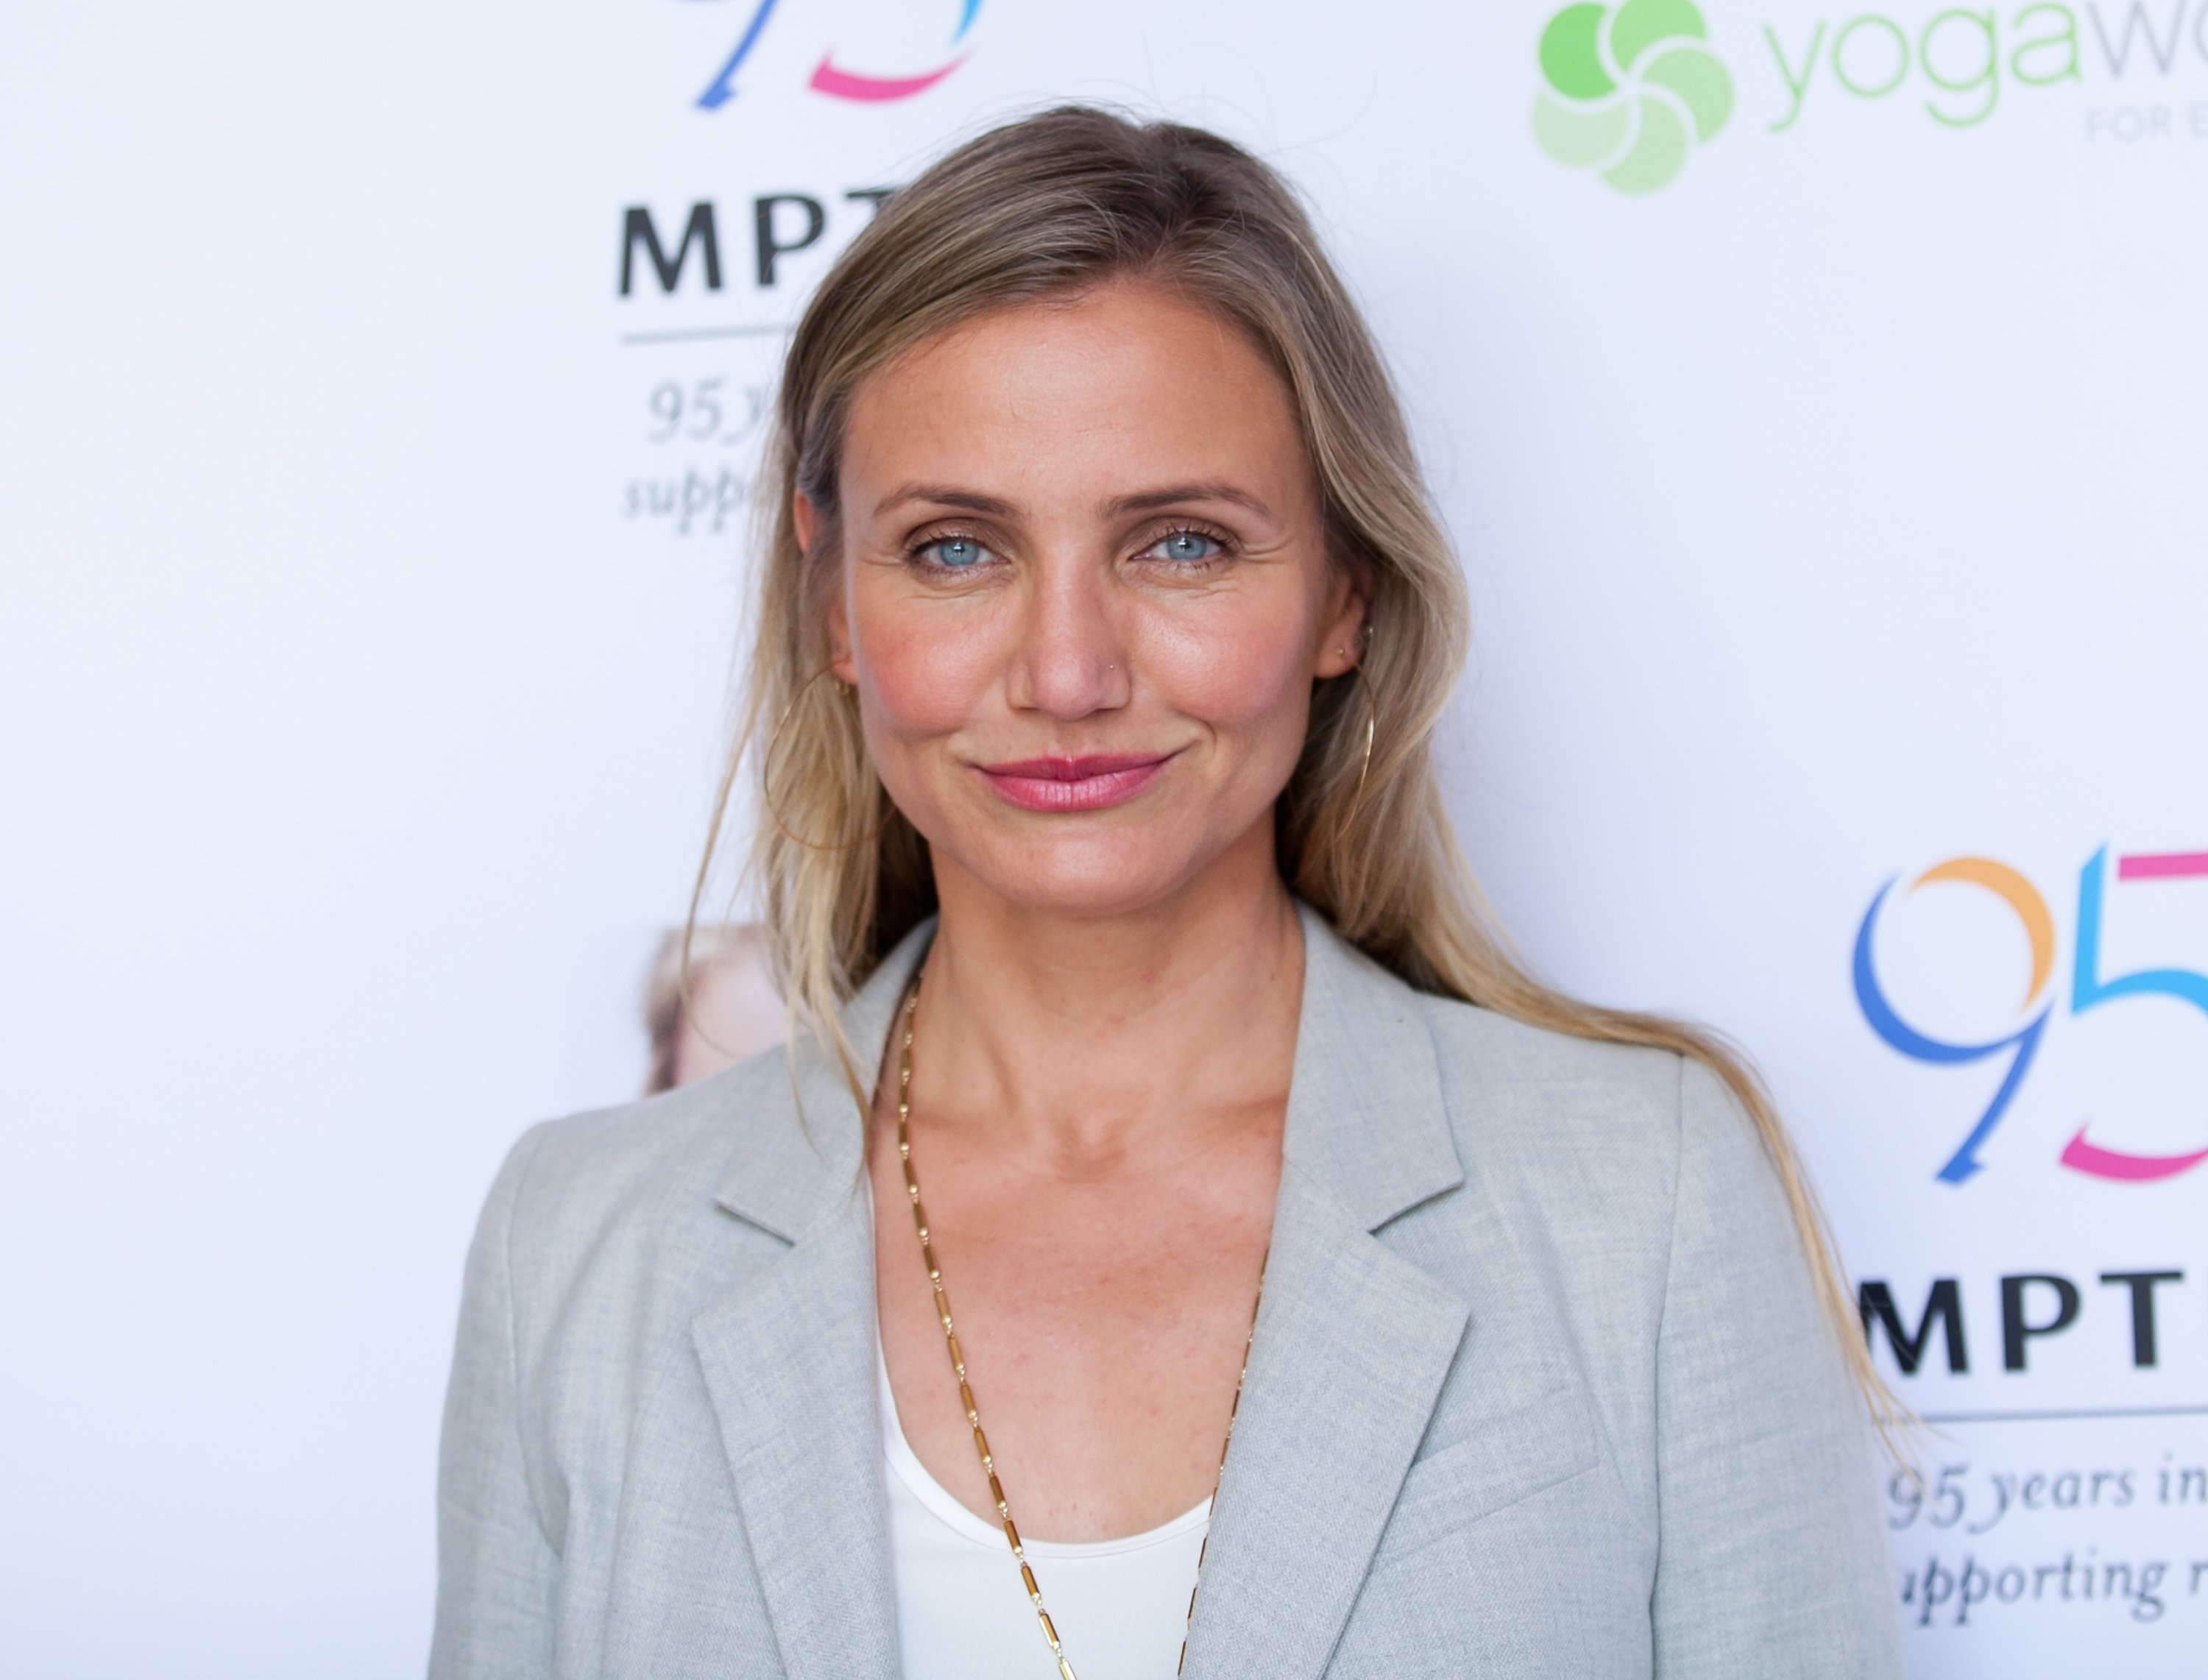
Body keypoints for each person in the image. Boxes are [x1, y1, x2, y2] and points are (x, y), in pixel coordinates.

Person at [432, 107, 1901, 1680]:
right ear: (832, 602)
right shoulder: (581, 1244)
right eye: (952, 550)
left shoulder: (1647, 1201)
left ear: (1344, 587)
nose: (1069, 671)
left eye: (1183, 542)